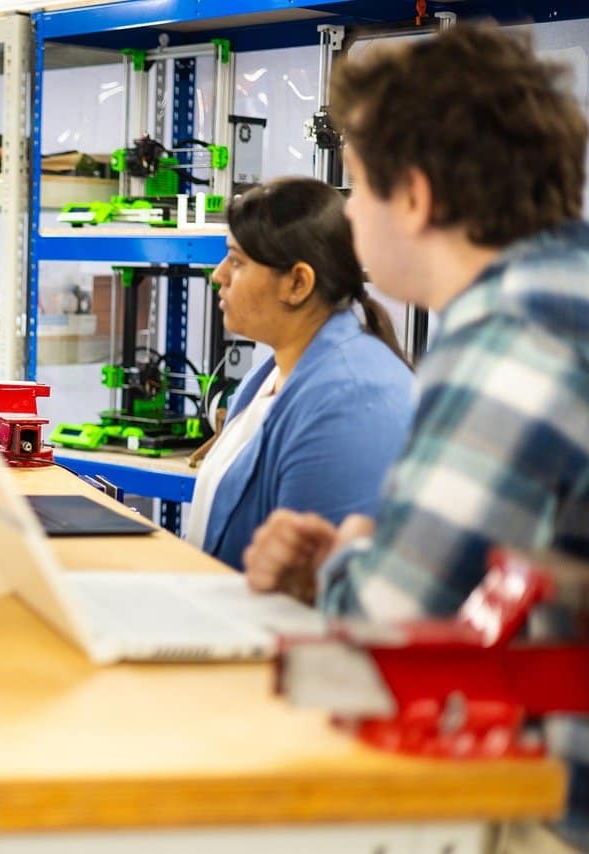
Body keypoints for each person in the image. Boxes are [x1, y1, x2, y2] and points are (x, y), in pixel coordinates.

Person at [240, 25, 589, 847]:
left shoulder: (514, 340)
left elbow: (391, 630)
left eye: (357, 187)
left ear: (417, 197)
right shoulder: (565, 293)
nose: (351, 213)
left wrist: (352, 558)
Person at [184, 177, 413, 573]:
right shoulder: (270, 374)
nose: (218, 275)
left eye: (236, 262)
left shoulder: (350, 403)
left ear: (297, 283)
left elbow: (313, 593)